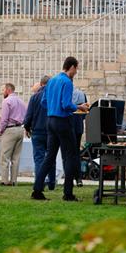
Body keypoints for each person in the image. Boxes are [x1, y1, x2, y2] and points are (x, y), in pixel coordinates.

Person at [32, 56, 89, 202]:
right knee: (70, 156)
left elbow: (44, 102)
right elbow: (66, 104)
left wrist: (53, 108)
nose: (76, 72)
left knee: (49, 156)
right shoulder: (67, 82)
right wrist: (79, 107)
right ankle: (68, 193)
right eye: (76, 69)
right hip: (63, 121)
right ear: (72, 67)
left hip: (50, 121)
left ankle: (37, 190)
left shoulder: (51, 81)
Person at [24, 76, 55, 191]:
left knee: (39, 158)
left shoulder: (34, 97)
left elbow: (29, 116)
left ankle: (39, 183)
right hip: (51, 131)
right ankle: (51, 182)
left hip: (37, 131)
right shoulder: (53, 97)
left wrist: (27, 128)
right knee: (51, 157)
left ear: (41, 84)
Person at [0, 83, 27, 186]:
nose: (2, 92)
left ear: (7, 90)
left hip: (9, 129)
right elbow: (25, 115)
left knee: (4, 156)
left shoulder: (7, 101)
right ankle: (14, 180)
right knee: (16, 157)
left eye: (2, 90)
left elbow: (4, 119)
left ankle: (5, 181)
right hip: (20, 129)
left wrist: (1, 131)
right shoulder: (21, 101)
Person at [71, 86, 88, 187]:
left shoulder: (65, 94)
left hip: (68, 125)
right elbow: (85, 112)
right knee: (76, 153)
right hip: (78, 126)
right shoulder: (82, 94)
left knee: (68, 153)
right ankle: (78, 178)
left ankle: (69, 179)